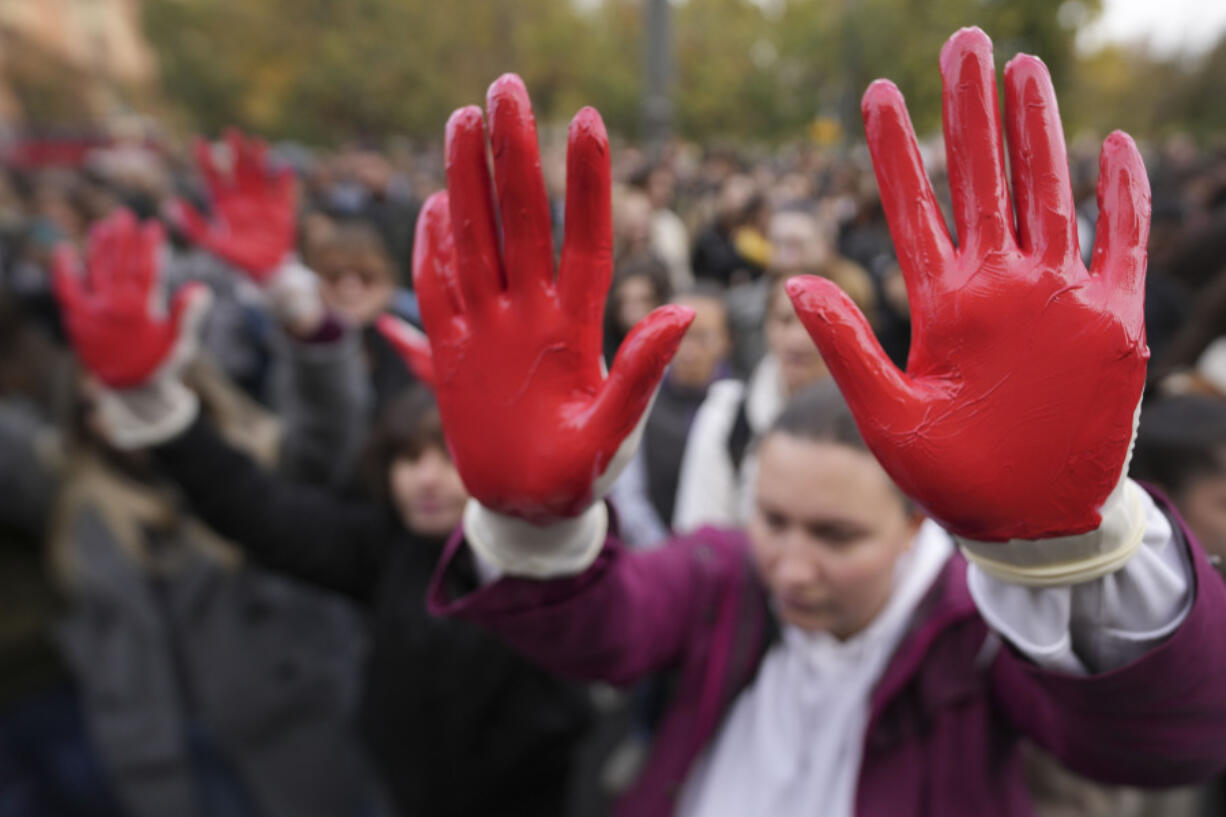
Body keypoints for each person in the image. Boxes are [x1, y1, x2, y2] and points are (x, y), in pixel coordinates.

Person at [400, 35, 1226, 817]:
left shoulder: (973, 635)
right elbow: (605, 630)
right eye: (774, 519)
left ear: (913, 526)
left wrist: (1064, 552)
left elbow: (1171, 738)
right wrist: (532, 532)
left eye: (835, 535)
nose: (792, 566)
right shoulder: (727, 580)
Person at [51, 208, 593, 817]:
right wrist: (165, 421)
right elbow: (258, 510)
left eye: (447, 458)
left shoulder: (539, 566)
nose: (425, 479)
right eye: (407, 460)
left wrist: (552, 517)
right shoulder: (385, 549)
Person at [672, 273, 828, 532]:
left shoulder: (871, 425)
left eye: (815, 321)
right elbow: (701, 538)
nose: (799, 339)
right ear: (767, 326)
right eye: (785, 320)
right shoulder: (726, 414)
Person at [609, 282, 734, 546]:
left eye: (703, 337)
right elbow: (629, 493)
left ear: (726, 341)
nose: (689, 350)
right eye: (681, 336)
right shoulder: (642, 398)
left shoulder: (738, 406)